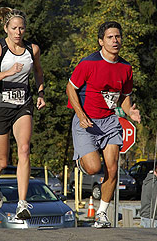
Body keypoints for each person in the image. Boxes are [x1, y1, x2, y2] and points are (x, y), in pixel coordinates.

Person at [66, 21, 141, 228]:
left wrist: (130, 111)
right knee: (94, 168)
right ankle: (81, 163)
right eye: (110, 37)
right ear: (101, 41)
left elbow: (124, 97)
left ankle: (101, 214)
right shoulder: (88, 63)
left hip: (110, 121)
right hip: (87, 120)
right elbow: (70, 89)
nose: (115, 40)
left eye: (117, 37)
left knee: (112, 168)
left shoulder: (126, 68)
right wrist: (80, 115)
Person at [0, 7, 45, 220]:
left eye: (22, 28)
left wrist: (41, 92)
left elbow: (37, 71)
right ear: (6, 28)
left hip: (23, 105)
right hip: (0, 107)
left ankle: (22, 204)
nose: (18, 32)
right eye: (14, 28)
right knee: (2, 161)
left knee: (24, 149)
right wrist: (7, 72)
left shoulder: (32, 49)